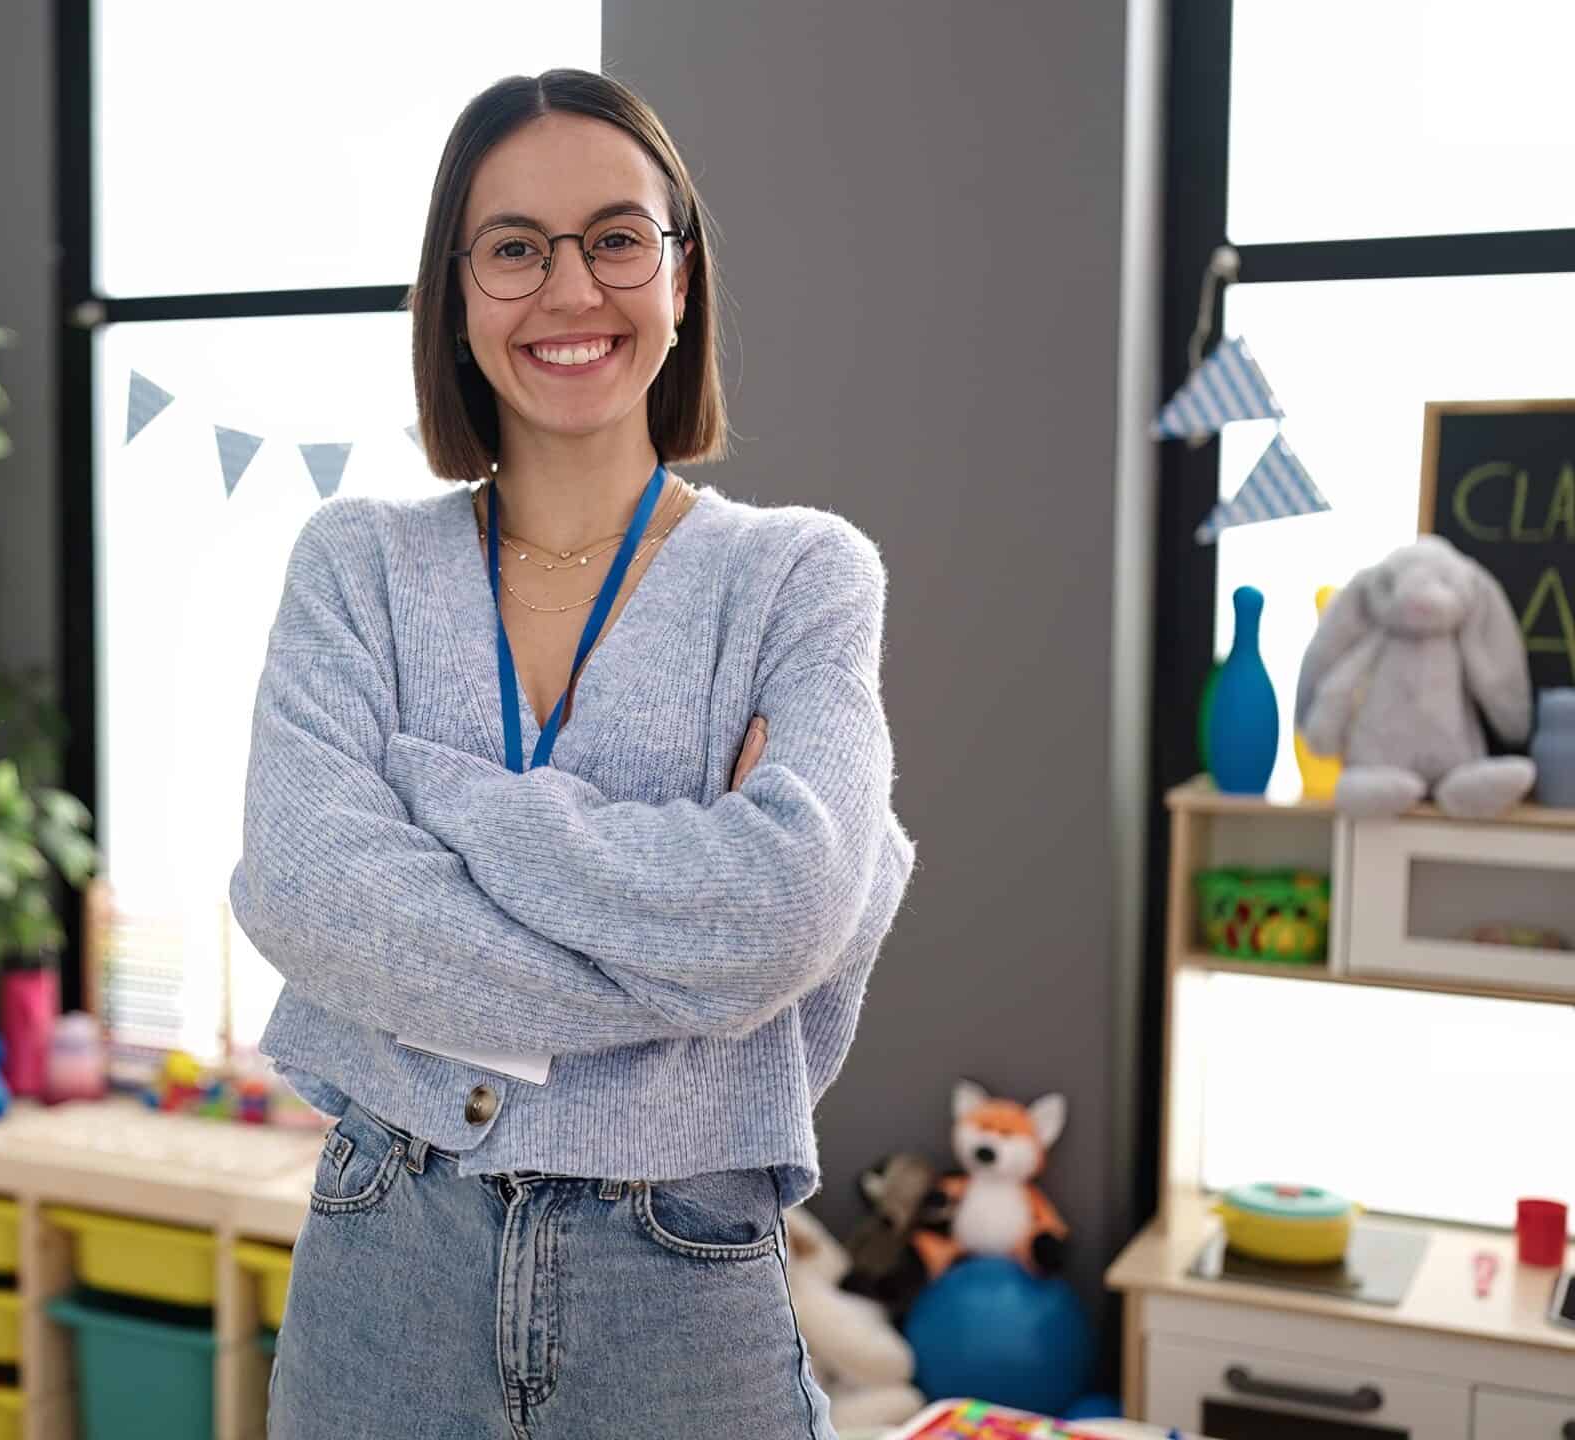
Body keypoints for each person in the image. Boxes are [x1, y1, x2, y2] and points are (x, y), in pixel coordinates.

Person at [227, 68, 917, 1438]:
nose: (569, 290)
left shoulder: (800, 579)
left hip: (681, 1280)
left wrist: (447, 806)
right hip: (386, 1254)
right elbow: (303, 889)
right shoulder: (356, 566)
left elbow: (786, 910)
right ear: (457, 289)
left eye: (615, 237)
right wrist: (690, 960)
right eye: (515, 249)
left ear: (680, 274)